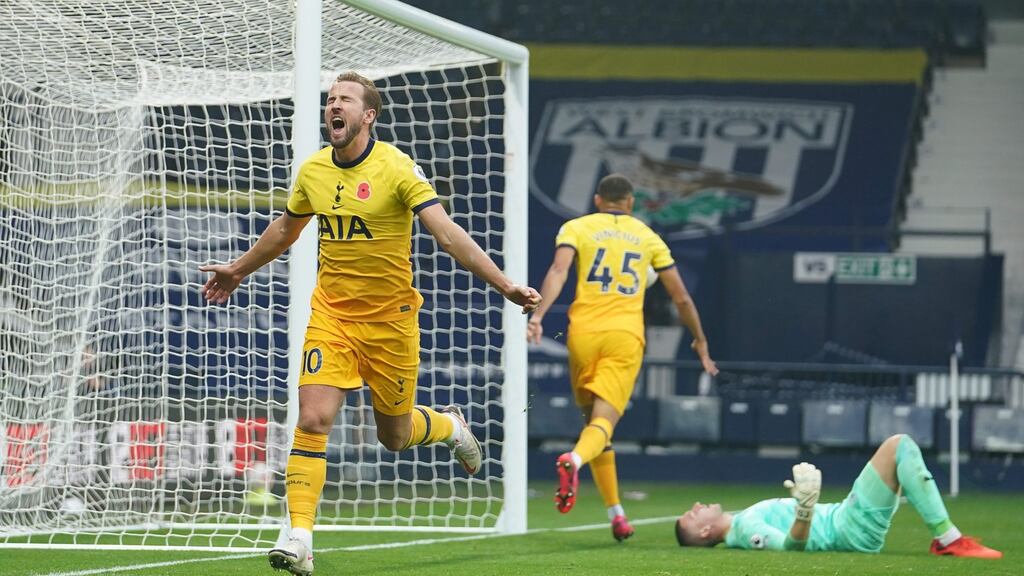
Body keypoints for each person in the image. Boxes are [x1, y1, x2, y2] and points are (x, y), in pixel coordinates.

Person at [200, 71, 541, 576]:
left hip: (391, 324)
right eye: (330, 99)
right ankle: (299, 538)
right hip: (332, 317)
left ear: (368, 116)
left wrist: (505, 285)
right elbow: (285, 230)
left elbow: (447, 234)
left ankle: (449, 426)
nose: (333, 106)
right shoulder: (314, 170)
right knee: (313, 421)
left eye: (345, 100)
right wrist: (239, 269)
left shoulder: (397, 168)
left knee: (395, 438)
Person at [526, 173, 717, 542]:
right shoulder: (648, 237)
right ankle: (574, 462)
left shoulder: (576, 227)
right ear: (630, 204)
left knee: (594, 427)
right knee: (603, 426)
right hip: (624, 336)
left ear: (598, 200)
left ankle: (617, 515)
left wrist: (537, 316)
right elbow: (681, 298)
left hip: (582, 334)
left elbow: (558, 271)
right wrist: (700, 341)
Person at [675, 434, 1003, 559]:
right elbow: (791, 549)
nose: (696, 507)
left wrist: (806, 508)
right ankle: (948, 539)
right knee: (899, 446)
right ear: (705, 532)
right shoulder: (747, 531)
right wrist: (804, 510)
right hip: (849, 528)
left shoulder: (742, 523)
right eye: (692, 515)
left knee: (899, 451)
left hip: (847, 519)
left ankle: (947, 538)